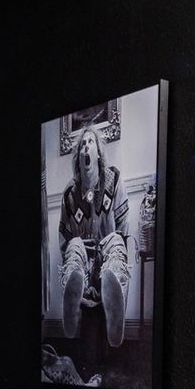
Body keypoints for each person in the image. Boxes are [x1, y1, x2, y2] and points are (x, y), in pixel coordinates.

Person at [57, 125, 130, 347]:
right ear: (78, 156)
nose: (86, 147)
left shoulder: (114, 179)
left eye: (91, 143)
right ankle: (74, 287)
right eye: (82, 145)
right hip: (83, 265)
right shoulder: (70, 193)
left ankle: (113, 282)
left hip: (108, 258)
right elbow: (64, 240)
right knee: (74, 244)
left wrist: (113, 257)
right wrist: (78, 269)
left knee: (116, 241)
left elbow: (124, 230)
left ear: (98, 153)